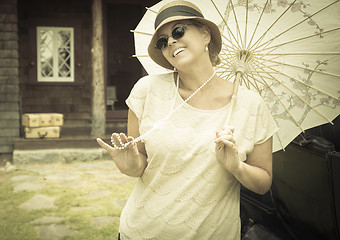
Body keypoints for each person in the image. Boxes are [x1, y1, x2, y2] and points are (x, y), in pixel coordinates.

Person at [97, 1, 279, 239]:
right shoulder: (147, 90)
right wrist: (129, 165)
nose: (170, 41)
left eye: (178, 31)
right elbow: (139, 164)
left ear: (205, 35)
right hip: (140, 232)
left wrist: (237, 167)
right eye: (162, 41)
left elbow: (263, 183)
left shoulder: (250, 104)